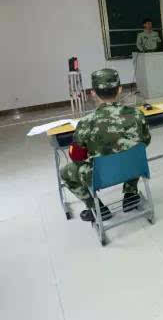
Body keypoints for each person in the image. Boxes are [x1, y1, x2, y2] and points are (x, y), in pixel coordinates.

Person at [60, 69, 151, 222]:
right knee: (132, 152)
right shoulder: (137, 114)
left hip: (100, 176)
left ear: (93, 93)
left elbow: (76, 157)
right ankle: (130, 194)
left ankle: (96, 208)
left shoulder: (86, 122)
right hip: (134, 167)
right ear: (120, 89)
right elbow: (145, 141)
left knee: (65, 172)